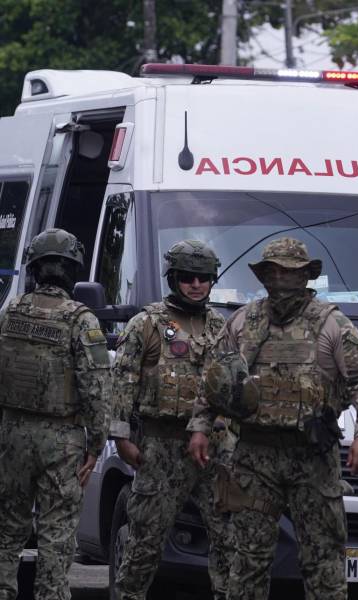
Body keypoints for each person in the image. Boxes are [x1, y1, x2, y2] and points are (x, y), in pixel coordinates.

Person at [187, 237, 358, 600]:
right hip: (254, 457)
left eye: (289, 271)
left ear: (305, 275)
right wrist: (200, 426)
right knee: (247, 559)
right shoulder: (244, 320)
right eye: (273, 271)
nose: (280, 279)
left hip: (311, 458)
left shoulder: (331, 323)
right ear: (263, 275)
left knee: (323, 560)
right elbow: (215, 377)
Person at [110, 240, 236, 600]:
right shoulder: (146, 324)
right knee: (144, 541)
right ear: (173, 278)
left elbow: (234, 384)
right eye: (187, 277)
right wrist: (121, 437)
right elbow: (122, 382)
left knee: (230, 540)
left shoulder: (221, 327)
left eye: (203, 278)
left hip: (214, 449)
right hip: (162, 446)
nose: (196, 285)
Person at [0, 228, 110, 600]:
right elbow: (96, 386)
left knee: (6, 528)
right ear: (72, 270)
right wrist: (96, 443)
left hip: (12, 434)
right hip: (62, 442)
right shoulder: (81, 320)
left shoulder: (11, 311)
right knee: (57, 534)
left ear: (34, 268)